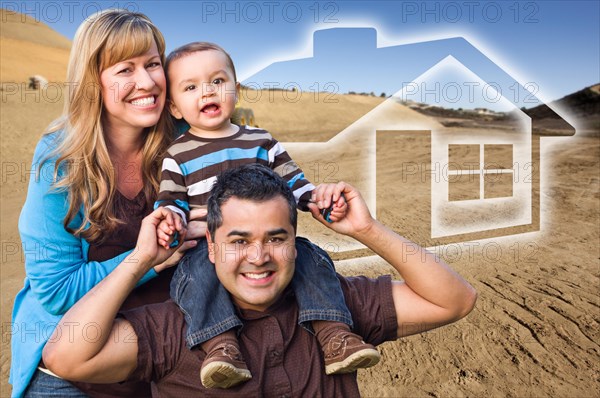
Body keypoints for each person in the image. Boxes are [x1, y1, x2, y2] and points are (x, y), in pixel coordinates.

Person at [42, 163, 478, 397]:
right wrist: (140, 261)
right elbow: (67, 357)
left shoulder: (336, 308)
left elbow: (454, 300)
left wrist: (367, 230)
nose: (258, 257)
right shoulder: (177, 328)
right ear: (210, 246)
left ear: (295, 240)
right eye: (238, 240)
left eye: (275, 238)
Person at [153, 42, 380, 388]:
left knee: (310, 257)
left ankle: (334, 334)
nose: (207, 92)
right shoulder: (176, 155)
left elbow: (296, 183)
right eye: (191, 87)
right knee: (195, 273)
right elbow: (170, 201)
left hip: (269, 243)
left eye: (217, 81)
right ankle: (220, 346)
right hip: (210, 248)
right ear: (175, 107)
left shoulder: (261, 141)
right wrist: (171, 218)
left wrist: (320, 199)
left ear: (237, 90)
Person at [9, 9, 201, 398]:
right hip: (70, 365)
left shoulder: (189, 139)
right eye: (124, 70)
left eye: (151, 64)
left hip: (166, 356)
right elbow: (58, 290)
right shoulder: (60, 161)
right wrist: (149, 259)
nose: (146, 82)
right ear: (93, 82)